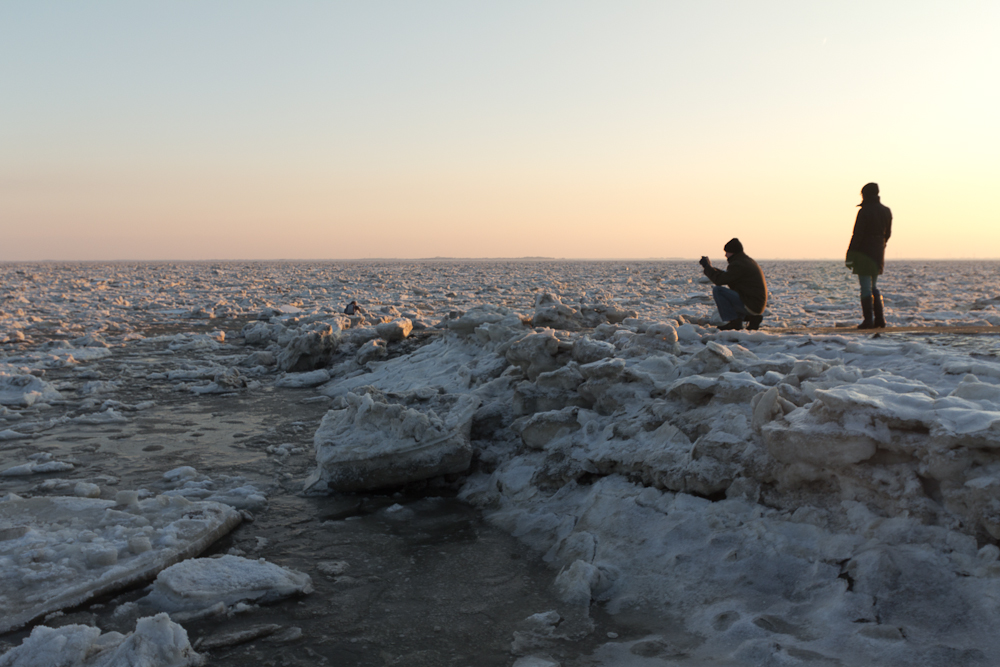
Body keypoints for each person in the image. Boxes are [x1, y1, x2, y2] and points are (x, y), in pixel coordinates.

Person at [845, 182, 892, 329]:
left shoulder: (864, 211)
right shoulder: (886, 211)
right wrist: (880, 245)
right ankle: (880, 320)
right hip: (878, 251)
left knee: (866, 288)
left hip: (864, 253)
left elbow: (857, 235)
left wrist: (850, 255)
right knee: (874, 286)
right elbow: (888, 234)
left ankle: (869, 320)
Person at [699, 238, 768, 331]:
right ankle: (753, 319)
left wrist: (707, 267)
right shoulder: (745, 261)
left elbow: (719, 280)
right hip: (755, 304)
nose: (725, 255)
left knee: (718, 291)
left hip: (751, 305)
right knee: (730, 293)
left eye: (727, 252)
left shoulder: (739, 264)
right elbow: (727, 276)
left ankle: (734, 322)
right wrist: (710, 268)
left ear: (733, 252)